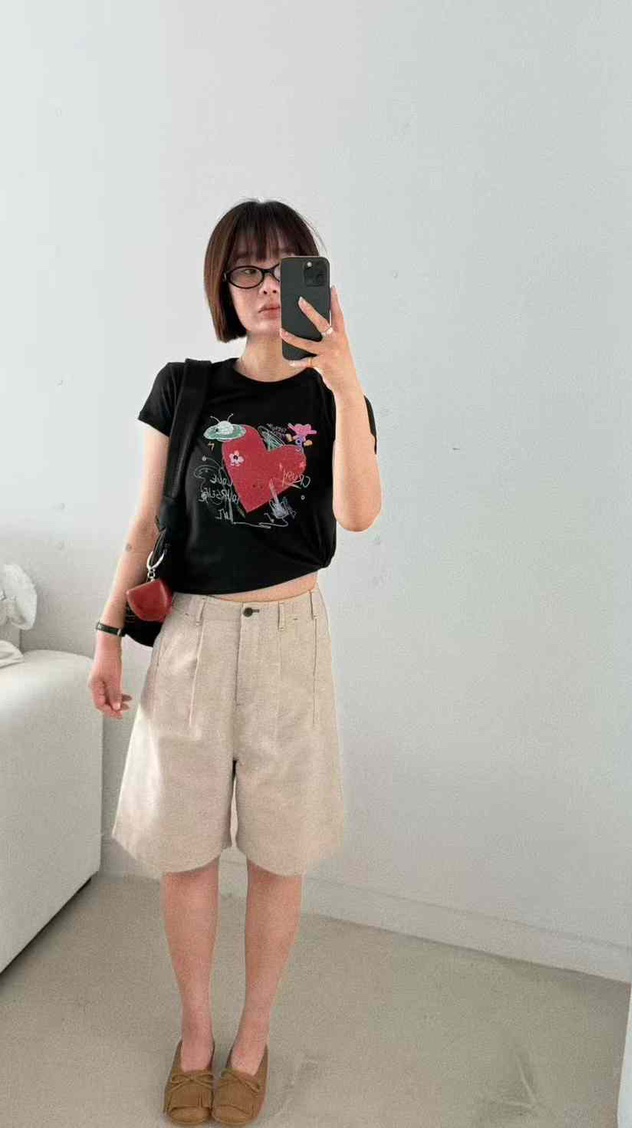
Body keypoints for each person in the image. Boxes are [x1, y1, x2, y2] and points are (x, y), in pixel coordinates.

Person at [87, 198, 381, 1125]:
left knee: (280, 855)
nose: (265, 286)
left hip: (292, 640)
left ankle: (252, 1041)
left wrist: (345, 383)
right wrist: (106, 635)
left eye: (284, 267)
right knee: (185, 852)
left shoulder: (334, 398)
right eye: (246, 270)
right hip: (192, 638)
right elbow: (145, 523)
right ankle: (196, 1035)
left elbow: (360, 516)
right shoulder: (185, 388)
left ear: (313, 280)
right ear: (223, 284)